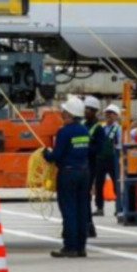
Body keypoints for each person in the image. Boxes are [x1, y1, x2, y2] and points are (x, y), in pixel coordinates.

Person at [44, 96, 92, 258]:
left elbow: (56, 155)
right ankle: (81, 247)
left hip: (68, 174)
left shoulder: (64, 132)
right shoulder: (84, 130)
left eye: (64, 112)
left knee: (69, 210)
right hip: (84, 173)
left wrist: (46, 154)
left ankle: (70, 246)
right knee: (81, 209)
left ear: (70, 114)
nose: (62, 114)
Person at [82, 96, 107, 238]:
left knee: (85, 195)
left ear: (94, 111)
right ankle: (88, 226)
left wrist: (86, 149)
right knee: (83, 196)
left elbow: (99, 148)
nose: (85, 111)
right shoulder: (84, 124)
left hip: (91, 164)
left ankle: (88, 226)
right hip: (83, 163)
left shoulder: (98, 128)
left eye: (88, 109)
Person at [92, 104, 123, 218]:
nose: (108, 115)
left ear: (116, 116)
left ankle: (119, 207)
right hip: (100, 159)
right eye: (107, 113)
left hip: (112, 159)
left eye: (111, 113)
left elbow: (120, 145)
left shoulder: (118, 129)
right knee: (99, 184)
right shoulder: (102, 128)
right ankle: (99, 208)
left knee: (116, 183)